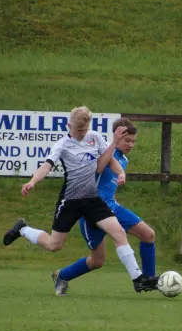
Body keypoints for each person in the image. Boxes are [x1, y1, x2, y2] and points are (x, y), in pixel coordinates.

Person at [2, 106, 158, 294]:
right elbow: (47, 166)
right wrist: (33, 181)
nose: (82, 134)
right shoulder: (62, 145)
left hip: (93, 201)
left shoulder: (95, 137)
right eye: (78, 131)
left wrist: (121, 172)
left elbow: (110, 161)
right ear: (69, 126)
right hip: (71, 200)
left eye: (84, 130)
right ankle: (23, 229)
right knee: (55, 245)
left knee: (119, 233)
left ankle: (139, 279)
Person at [52, 118, 156, 296]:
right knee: (97, 260)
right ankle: (62, 275)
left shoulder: (123, 159)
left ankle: (148, 280)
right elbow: (98, 169)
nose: (131, 144)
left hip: (112, 208)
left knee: (148, 234)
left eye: (133, 141)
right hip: (92, 213)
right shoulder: (103, 152)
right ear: (116, 137)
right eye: (127, 140)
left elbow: (107, 186)